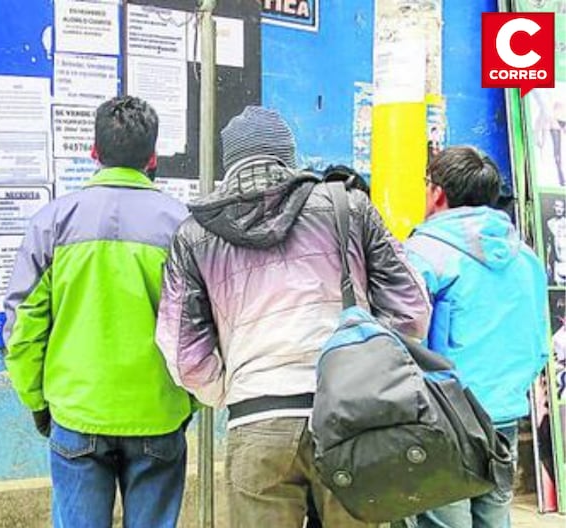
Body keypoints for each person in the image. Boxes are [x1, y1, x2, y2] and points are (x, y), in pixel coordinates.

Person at [155, 106, 431, 528]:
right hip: (351, 417)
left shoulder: (195, 235)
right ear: (289, 154)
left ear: (231, 162)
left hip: (257, 419)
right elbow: (411, 306)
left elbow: (183, 352)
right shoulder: (349, 207)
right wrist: (372, 368)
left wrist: (232, 389)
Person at [3, 95, 193, 528]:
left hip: (77, 412)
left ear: (94, 152)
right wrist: (191, 401)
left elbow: (22, 330)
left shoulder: (51, 223)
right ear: (152, 157)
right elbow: (201, 326)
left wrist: (36, 400)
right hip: (159, 415)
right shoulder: (182, 227)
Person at [404, 146, 549, 528]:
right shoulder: (527, 259)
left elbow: (402, 335)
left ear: (437, 193)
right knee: (494, 517)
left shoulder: (423, 253)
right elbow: (538, 344)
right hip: (502, 414)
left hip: (444, 418)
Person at [546, 198, 566, 285]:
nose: (559, 209)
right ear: (554, 207)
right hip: (557, 263)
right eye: (557, 206)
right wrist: (547, 263)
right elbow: (548, 244)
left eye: (561, 207)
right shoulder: (550, 223)